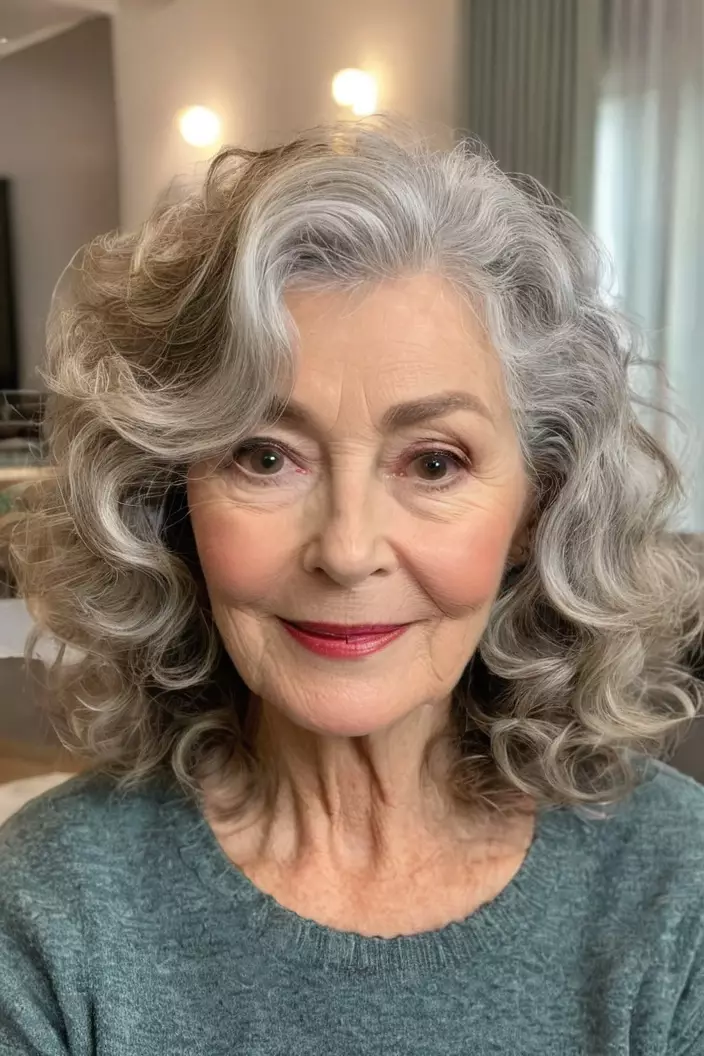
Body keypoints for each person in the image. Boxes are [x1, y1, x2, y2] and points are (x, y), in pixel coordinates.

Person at [1, 119, 703, 1055]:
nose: (346, 549)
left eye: (435, 462)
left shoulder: (678, 887)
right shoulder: (50, 906)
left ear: (539, 506)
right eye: (263, 455)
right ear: (171, 497)